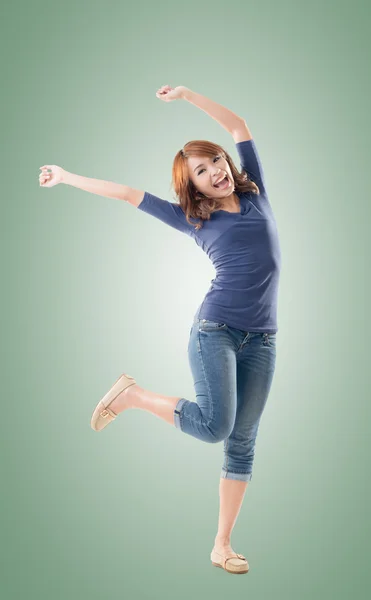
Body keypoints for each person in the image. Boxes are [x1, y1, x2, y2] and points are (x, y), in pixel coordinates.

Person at [38, 85, 281, 575]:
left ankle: (221, 545)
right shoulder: (193, 220)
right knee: (216, 428)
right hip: (215, 331)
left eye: (216, 161)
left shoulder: (255, 192)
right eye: (202, 171)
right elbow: (128, 195)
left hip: (264, 339)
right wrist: (65, 176)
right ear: (193, 188)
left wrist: (190, 95)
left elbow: (238, 128)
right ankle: (133, 396)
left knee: (243, 441)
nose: (216, 170)